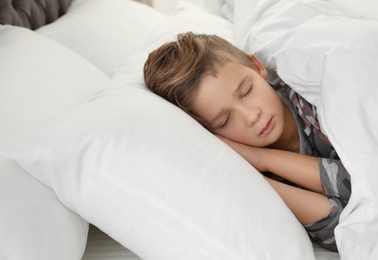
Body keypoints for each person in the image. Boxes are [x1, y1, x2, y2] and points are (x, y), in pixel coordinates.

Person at [143, 32, 351, 252]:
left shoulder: (311, 101)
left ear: (256, 66)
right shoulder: (251, 177)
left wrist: (263, 158)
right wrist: (256, 177)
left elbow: (368, 179)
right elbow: (344, 231)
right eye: (225, 121)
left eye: (247, 90)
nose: (251, 116)